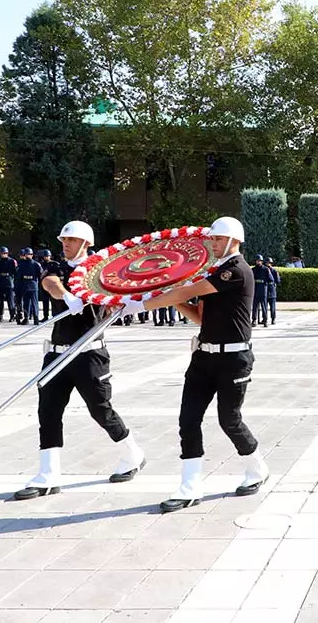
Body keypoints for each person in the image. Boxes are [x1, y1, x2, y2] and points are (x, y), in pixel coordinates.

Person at [122, 217, 268, 512]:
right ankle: (190, 485)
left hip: (233, 359)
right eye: (212, 239)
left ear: (233, 241)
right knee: (188, 419)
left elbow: (186, 291)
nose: (212, 243)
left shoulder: (236, 270)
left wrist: (142, 303)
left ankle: (257, 468)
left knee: (230, 420)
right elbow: (199, 316)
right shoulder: (215, 272)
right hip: (203, 357)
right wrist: (168, 298)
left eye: (217, 239)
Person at [13, 221, 144, 501]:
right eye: (63, 239)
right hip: (57, 352)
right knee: (48, 412)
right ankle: (49, 475)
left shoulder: (101, 272)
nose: (65, 244)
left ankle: (132, 453)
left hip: (89, 354)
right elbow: (49, 282)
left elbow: (119, 296)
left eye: (71, 240)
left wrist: (121, 304)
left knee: (101, 410)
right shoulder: (59, 268)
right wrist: (67, 296)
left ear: (86, 243)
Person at [15, 248, 41, 325]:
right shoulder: (21, 264)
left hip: (32, 284)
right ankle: (26, 318)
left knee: (35, 303)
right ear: (25, 255)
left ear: (32, 255)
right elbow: (19, 276)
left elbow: (40, 274)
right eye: (27, 254)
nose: (28, 256)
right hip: (25, 284)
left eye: (30, 254)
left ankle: (36, 318)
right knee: (26, 303)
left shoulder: (36, 264)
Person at [0, 247, 18, 322]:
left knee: (10, 300)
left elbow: (15, 272)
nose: (4, 255)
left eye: (5, 253)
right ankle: (0, 315)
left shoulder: (12, 261)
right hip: (1, 282)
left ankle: (12, 315)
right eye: (2, 253)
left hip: (9, 282)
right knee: (0, 300)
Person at [250, 255, 270, 327]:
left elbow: (270, 279)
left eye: (259, 261)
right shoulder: (253, 270)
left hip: (262, 290)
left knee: (264, 306)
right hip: (255, 289)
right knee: (254, 306)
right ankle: (254, 320)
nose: (258, 262)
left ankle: (265, 320)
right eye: (257, 260)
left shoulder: (265, 269)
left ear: (261, 261)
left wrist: (265, 284)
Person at [37, 249, 55, 322]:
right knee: (45, 302)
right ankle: (45, 316)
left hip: (52, 286)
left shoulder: (54, 264)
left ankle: (54, 316)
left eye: (47, 256)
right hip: (44, 285)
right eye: (45, 256)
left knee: (54, 302)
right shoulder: (41, 264)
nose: (46, 257)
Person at [265, 257, 279, 325]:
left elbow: (277, 280)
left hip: (272, 289)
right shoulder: (264, 270)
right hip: (265, 289)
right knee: (264, 306)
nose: (268, 264)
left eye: (269, 263)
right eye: (267, 263)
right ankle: (264, 319)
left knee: (272, 307)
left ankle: (273, 319)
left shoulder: (274, 271)